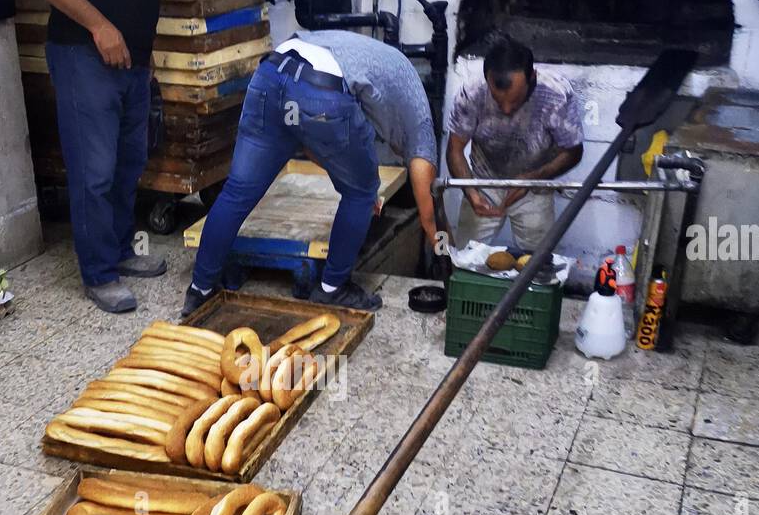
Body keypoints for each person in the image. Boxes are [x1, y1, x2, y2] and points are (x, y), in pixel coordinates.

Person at [181, 30, 440, 315]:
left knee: (237, 191)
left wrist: (349, 181)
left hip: (271, 74)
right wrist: (440, 245)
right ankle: (332, 288)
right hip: (319, 88)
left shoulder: (377, 68)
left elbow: (314, 144)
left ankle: (200, 290)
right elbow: (424, 186)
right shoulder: (420, 113)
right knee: (363, 191)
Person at [29, 0, 168, 312]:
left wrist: (142, 50)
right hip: (84, 56)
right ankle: (98, 273)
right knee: (95, 168)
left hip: (131, 63)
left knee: (130, 162)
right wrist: (101, 27)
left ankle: (117, 250)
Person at [446, 34, 584, 252]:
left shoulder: (557, 95)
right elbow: (454, 149)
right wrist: (470, 192)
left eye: (516, 100)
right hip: (484, 183)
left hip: (535, 186)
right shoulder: (472, 92)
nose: (507, 110)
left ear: (533, 78)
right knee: (466, 258)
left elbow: (573, 151)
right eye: (498, 100)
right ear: (487, 81)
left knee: (537, 264)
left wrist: (532, 178)